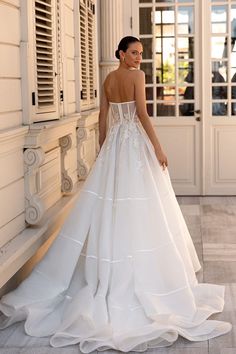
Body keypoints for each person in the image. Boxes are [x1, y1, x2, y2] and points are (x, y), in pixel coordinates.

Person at [0, 36, 232, 353]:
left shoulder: (108, 79)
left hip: (114, 148)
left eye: (141, 53)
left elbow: (102, 118)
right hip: (134, 143)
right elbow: (142, 114)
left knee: (112, 207)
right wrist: (158, 147)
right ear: (121, 54)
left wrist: (104, 150)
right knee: (143, 208)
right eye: (134, 53)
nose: (139, 58)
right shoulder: (135, 77)